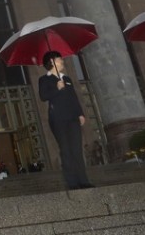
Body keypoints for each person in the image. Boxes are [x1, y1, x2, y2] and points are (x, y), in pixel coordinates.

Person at [38, 51, 93, 190]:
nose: (62, 61)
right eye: (59, 59)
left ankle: (83, 180)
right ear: (52, 61)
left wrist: (80, 114)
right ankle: (72, 182)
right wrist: (57, 88)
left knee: (76, 149)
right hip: (57, 119)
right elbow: (43, 96)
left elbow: (74, 97)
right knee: (66, 150)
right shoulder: (44, 79)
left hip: (72, 118)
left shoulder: (67, 78)